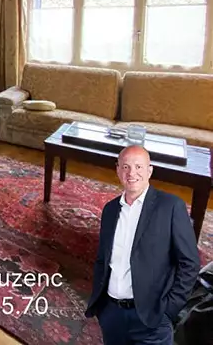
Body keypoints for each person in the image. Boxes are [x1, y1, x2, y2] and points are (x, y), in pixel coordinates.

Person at [86, 145, 200, 344]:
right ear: (118, 170)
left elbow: (189, 263)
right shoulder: (110, 210)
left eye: (138, 167)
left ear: (150, 171)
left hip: (152, 318)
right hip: (111, 315)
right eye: (126, 167)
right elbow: (102, 259)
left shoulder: (171, 206)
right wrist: (102, 306)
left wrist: (169, 310)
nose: (132, 173)